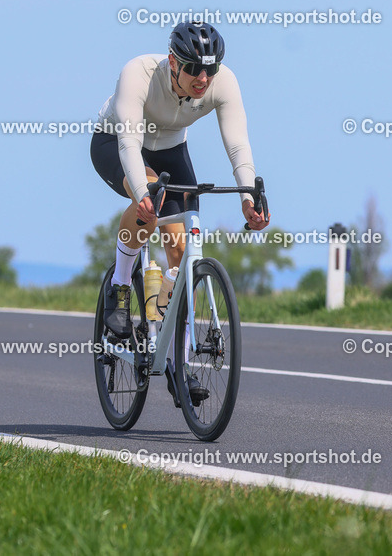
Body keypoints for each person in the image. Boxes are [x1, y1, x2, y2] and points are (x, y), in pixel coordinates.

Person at [90, 21, 268, 345]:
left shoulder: (223, 82)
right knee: (151, 204)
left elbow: (238, 144)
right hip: (117, 141)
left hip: (170, 149)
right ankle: (120, 286)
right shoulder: (138, 72)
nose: (203, 79)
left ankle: (178, 357)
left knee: (183, 248)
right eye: (193, 69)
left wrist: (247, 196)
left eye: (210, 70)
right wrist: (143, 193)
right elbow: (129, 143)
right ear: (173, 62)